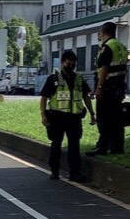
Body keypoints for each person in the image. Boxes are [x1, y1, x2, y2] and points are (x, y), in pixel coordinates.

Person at [40, 50, 96, 181]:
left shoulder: (79, 79)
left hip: (74, 118)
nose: (71, 64)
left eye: (73, 62)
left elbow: (86, 97)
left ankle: (74, 173)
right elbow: (43, 98)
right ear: (63, 62)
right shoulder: (54, 79)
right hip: (57, 117)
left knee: (74, 146)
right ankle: (54, 171)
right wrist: (43, 115)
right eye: (69, 61)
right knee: (56, 145)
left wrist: (92, 114)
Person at [87, 21, 128, 156]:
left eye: (99, 32)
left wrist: (99, 88)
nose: (98, 35)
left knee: (104, 118)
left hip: (107, 89)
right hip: (119, 88)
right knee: (116, 119)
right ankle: (117, 147)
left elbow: (104, 69)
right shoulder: (121, 46)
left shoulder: (107, 47)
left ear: (104, 32)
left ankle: (102, 147)